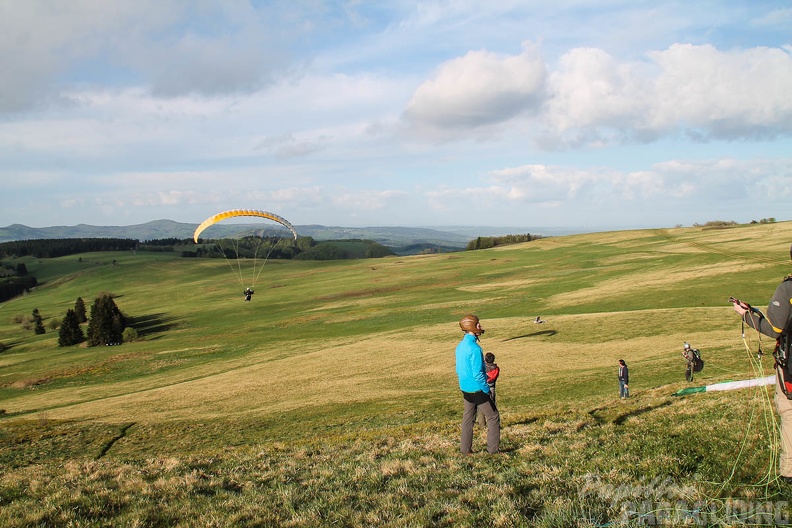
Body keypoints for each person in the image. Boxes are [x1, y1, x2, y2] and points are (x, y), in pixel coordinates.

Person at [731, 244, 792, 484]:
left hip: (790, 370)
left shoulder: (787, 289)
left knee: (789, 414)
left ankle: (789, 471)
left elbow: (774, 329)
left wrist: (745, 315)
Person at [455, 314, 500, 454]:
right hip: (477, 389)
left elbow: (458, 369)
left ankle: (465, 450)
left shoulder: (460, 346)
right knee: (493, 417)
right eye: (478, 324)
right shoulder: (475, 348)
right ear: (472, 327)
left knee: (468, 419)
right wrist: (486, 390)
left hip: (465, 388)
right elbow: (478, 374)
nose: (480, 326)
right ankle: (493, 450)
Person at [477, 352, 500, 429]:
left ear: (485, 360)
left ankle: (482, 426)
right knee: (492, 407)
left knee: (481, 409)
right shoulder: (496, 369)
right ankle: (494, 425)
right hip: (492, 388)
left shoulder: (483, 368)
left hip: (483, 389)